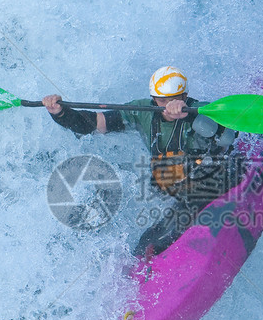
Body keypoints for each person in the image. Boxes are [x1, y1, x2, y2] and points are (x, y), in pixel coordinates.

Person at [42, 66, 244, 257]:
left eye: (174, 99)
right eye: (161, 100)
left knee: (169, 231)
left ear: (185, 96)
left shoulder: (201, 111)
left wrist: (190, 116)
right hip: (176, 186)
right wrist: (61, 113)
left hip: (212, 179)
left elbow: (228, 136)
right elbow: (92, 124)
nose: (167, 106)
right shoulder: (141, 111)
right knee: (146, 243)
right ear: (153, 99)